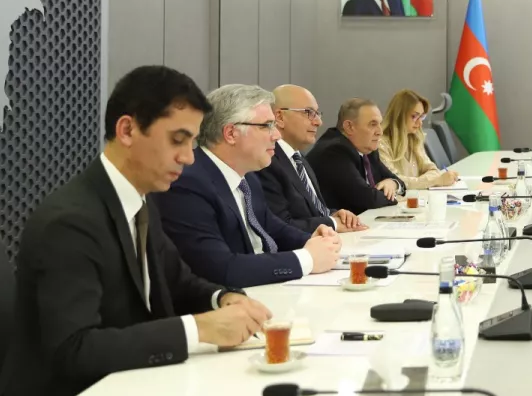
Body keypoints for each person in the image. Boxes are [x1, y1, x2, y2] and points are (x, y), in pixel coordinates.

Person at [0, 66, 271, 396]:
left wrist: (224, 299)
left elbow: (178, 282)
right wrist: (199, 329)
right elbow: (74, 349)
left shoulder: (140, 200)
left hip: (126, 390)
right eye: (177, 140)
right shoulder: (70, 222)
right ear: (127, 130)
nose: (188, 157)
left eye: (192, 142)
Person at [152, 85, 342, 288]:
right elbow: (220, 268)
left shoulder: (248, 177)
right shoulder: (187, 184)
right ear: (231, 133)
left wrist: (313, 239)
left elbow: (273, 228)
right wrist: (306, 259)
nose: (276, 135)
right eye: (266, 126)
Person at [258, 84, 367, 234]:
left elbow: (313, 210)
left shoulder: (299, 158)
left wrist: (334, 214)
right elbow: (281, 225)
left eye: (317, 113)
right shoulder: (267, 162)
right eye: (308, 113)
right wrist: (332, 223)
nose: (318, 122)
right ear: (280, 117)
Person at [308, 98, 406, 213]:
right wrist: (391, 195)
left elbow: (399, 182)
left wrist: (393, 183)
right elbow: (368, 199)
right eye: (373, 124)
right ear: (349, 127)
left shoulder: (367, 148)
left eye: (380, 124)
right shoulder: (334, 151)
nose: (380, 131)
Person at [379, 89, 459, 189]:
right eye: (414, 116)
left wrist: (424, 181)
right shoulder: (381, 144)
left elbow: (433, 170)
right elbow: (394, 181)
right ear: (399, 115)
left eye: (421, 117)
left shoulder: (414, 139)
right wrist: (435, 181)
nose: (420, 123)